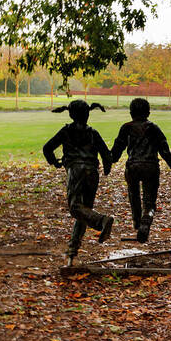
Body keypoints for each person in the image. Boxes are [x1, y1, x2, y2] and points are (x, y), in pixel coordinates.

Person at [43, 100, 114, 267]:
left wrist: (55, 162)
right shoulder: (93, 133)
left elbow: (47, 148)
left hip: (76, 172)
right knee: (84, 212)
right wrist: (106, 168)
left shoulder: (66, 131)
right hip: (92, 173)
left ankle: (102, 221)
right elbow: (106, 155)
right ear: (88, 114)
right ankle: (72, 253)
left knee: (76, 208)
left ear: (70, 115)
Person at [111, 98, 171, 243]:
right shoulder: (154, 128)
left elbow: (116, 152)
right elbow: (165, 152)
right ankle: (146, 220)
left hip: (133, 167)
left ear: (130, 113)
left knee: (133, 194)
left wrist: (109, 160)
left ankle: (136, 222)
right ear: (148, 112)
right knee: (150, 202)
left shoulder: (126, 128)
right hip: (151, 167)